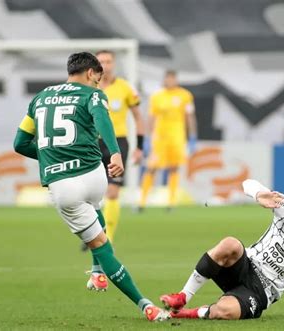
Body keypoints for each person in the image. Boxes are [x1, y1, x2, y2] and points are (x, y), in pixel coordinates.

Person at [13, 52, 169, 322]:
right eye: (98, 79)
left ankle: (139, 301)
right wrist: (116, 154)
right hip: (94, 172)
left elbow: (19, 143)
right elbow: (102, 119)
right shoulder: (93, 95)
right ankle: (109, 282)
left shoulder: (39, 98)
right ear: (89, 73)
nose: (99, 84)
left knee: (101, 246)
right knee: (98, 212)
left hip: (64, 187)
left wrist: (51, 156)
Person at [159, 179, 284, 320]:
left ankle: (187, 313)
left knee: (225, 311)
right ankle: (182, 297)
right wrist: (259, 194)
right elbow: (247, 182)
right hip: (246, 265)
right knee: (230, 243)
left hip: (262, 291)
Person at [95, 50, 145, 242]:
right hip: (93, 143)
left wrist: (140, 147)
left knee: (113, 191)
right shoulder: (90, 88)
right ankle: (94, 233)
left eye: (108, 61)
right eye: (101, 62)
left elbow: (138, 117)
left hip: (118, 143)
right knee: (92, 192)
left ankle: (109, 238)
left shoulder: (125, 87)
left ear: (113, 64)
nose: (105, 65)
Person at [139, 70, 197, 209]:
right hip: (160, 138)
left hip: (177, 137)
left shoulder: (185, 95)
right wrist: (147, 137)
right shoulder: (157, 97)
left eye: (173, 79)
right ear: (165, 80)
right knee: (151, 167)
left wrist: (193, 137)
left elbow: (190, 117)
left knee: (174, 168)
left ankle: (171, 202)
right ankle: (142, 202)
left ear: (176, 80)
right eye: (168, 79)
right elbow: (151, 118)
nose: (170, 81)